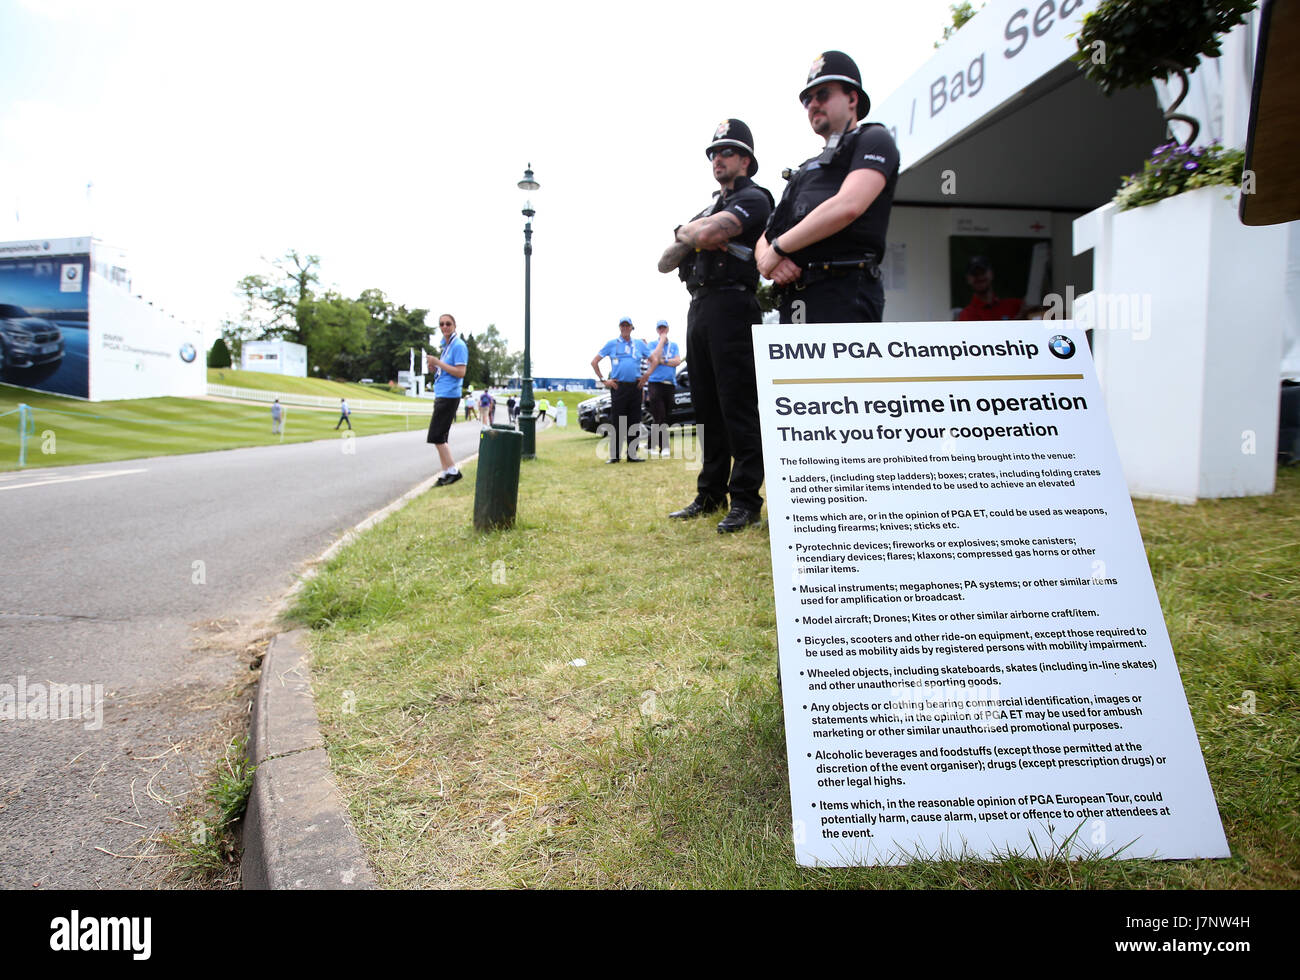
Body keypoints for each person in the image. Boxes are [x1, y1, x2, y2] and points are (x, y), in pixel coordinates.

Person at [657, 118, 773, 531]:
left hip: (733, 305)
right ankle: (710, 493)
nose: (717, 159)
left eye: (725, 151)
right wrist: (695, 232)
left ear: (745, 158)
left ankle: (745, 499)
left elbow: (700, 235)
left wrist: (691, 233)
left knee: (737, 405)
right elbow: (664, 262)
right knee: (706, 406)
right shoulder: (707, 210)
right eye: (712, 153)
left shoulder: (756, 199)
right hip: (699, 306)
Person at [757, 51, 900, 324]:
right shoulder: (805, 169)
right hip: (796, 297)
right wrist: (771, 261)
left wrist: (776, 251)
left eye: (822, 94)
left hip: (845, 292)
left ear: (852, 98)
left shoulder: (873, 139)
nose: (813, 104)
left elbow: (848, 206)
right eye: (807, 100)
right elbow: (767, 233)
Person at [591, 316, 650, 463]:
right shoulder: (612, 344)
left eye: (627, 326)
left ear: (631, 328)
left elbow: (653, 359)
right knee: (618, 421)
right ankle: (615, 455)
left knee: (634, 421)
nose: (625, 328)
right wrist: (605, 380)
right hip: (619, 387)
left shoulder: (639, 344)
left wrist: (646, 376)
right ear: (619, 328)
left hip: (635, 387)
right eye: (622, 326)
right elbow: (594, 361)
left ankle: (632, 454)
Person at [426, 313, 469, 486]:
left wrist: (438, 362)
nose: (444, 327)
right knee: (439, 436)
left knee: (436, 436)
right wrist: (434, 367)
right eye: (441, 324)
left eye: (448, 324)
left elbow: (460, 372)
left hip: (449, 395)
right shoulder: (446, 346)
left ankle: (453, 471)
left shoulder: (458, 345)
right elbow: (445, 371)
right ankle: (446, 472)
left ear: (454, 325)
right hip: (442, 393)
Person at [643, 320, 682, 457]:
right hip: (655, 384)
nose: (662, 331)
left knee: (663, 416)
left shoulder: (674, 345)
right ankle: (664, 447)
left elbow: (677, 361)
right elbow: (653, 358)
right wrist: (661, 341)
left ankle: (649, 444)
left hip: (669, 384)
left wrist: (662, 361)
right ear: (657, 330)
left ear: (668, 329)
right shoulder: (653, 344)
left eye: (664, 328)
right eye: (660, 329)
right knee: (660, 415)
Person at [957, 255, 1024, 321]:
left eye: (983, 272)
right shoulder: (966, 315)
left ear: (991, 273)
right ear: (968, 279)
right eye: (975, 274)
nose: (980, 277)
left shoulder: (1015, 305)